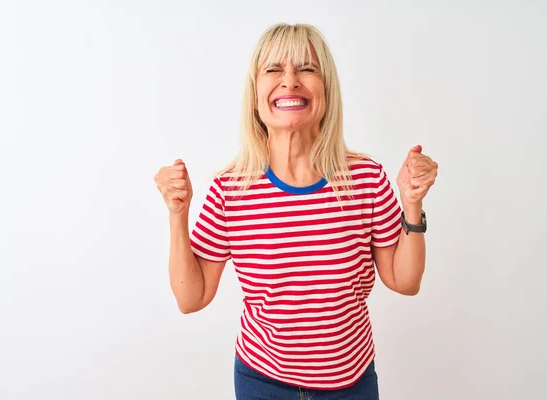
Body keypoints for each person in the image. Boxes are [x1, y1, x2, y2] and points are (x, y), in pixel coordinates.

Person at [154, 23, 438, 400]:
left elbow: (405, 282)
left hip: (350, 385)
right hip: (261, 383)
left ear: (327, 89)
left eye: (307, 68)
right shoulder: (231, 190)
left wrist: (412, 204)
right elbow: (192, 299)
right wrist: (178, 213)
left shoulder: (365, 178)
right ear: (255, 94)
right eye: (273, 70)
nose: (290, 82)